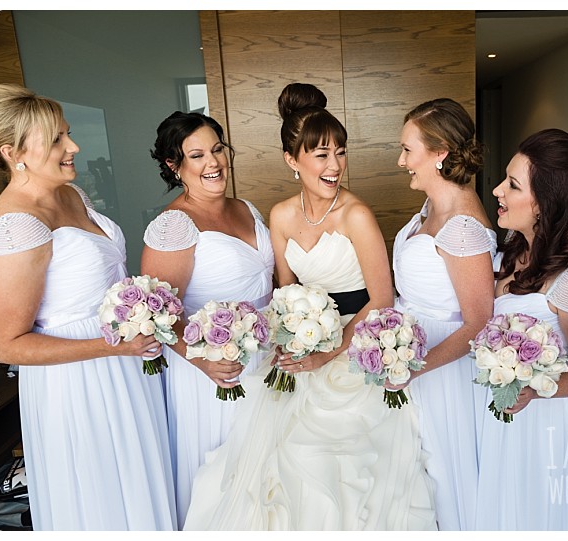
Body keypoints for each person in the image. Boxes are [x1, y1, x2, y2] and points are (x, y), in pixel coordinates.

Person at [182, 83, 436, 530]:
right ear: (292, 160)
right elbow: (286, 292)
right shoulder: (280, 215)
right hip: (304, 344)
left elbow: (381, 299)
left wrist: (329, 353)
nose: (335, 165)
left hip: (355, 344)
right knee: (270, 460)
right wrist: (298, 343)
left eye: (340, 152)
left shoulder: (356, 214)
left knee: (337, 461)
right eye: (321, 154)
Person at [0, 84, 176, 530]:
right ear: (13, 153)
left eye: (68, 134)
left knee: (141, 484)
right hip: (79, 384)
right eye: (56, 139)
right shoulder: (16, 226)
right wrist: (112, 347)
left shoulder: (71, 194)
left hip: (125, 364)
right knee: (104, 499)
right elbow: (7, 346)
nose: (73, 146)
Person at [141, 111, 275, 529]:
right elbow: (159, 314)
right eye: (196, 155)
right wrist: (204, 361)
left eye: (217, 149)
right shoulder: (172, 226)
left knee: (271, 472)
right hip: (212, 369)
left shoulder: (246, 208)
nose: (213, 162)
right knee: (224, 476)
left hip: (267, 355)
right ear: (173, 166)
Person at [475, 128, 568, 530]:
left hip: (553, 426)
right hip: (514, 411)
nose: (497, 190)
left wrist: (534, 387)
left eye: (513, 185)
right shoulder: (517, 247)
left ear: (546, 204)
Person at [391, 98, 496, 530]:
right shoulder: (431, 209)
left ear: (440, 153)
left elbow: (478, 321)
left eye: (407, 150)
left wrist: (414, 367)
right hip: (412, 355)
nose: (401, 162)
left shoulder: (463, 225)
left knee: (446, 476)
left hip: (443, 370)